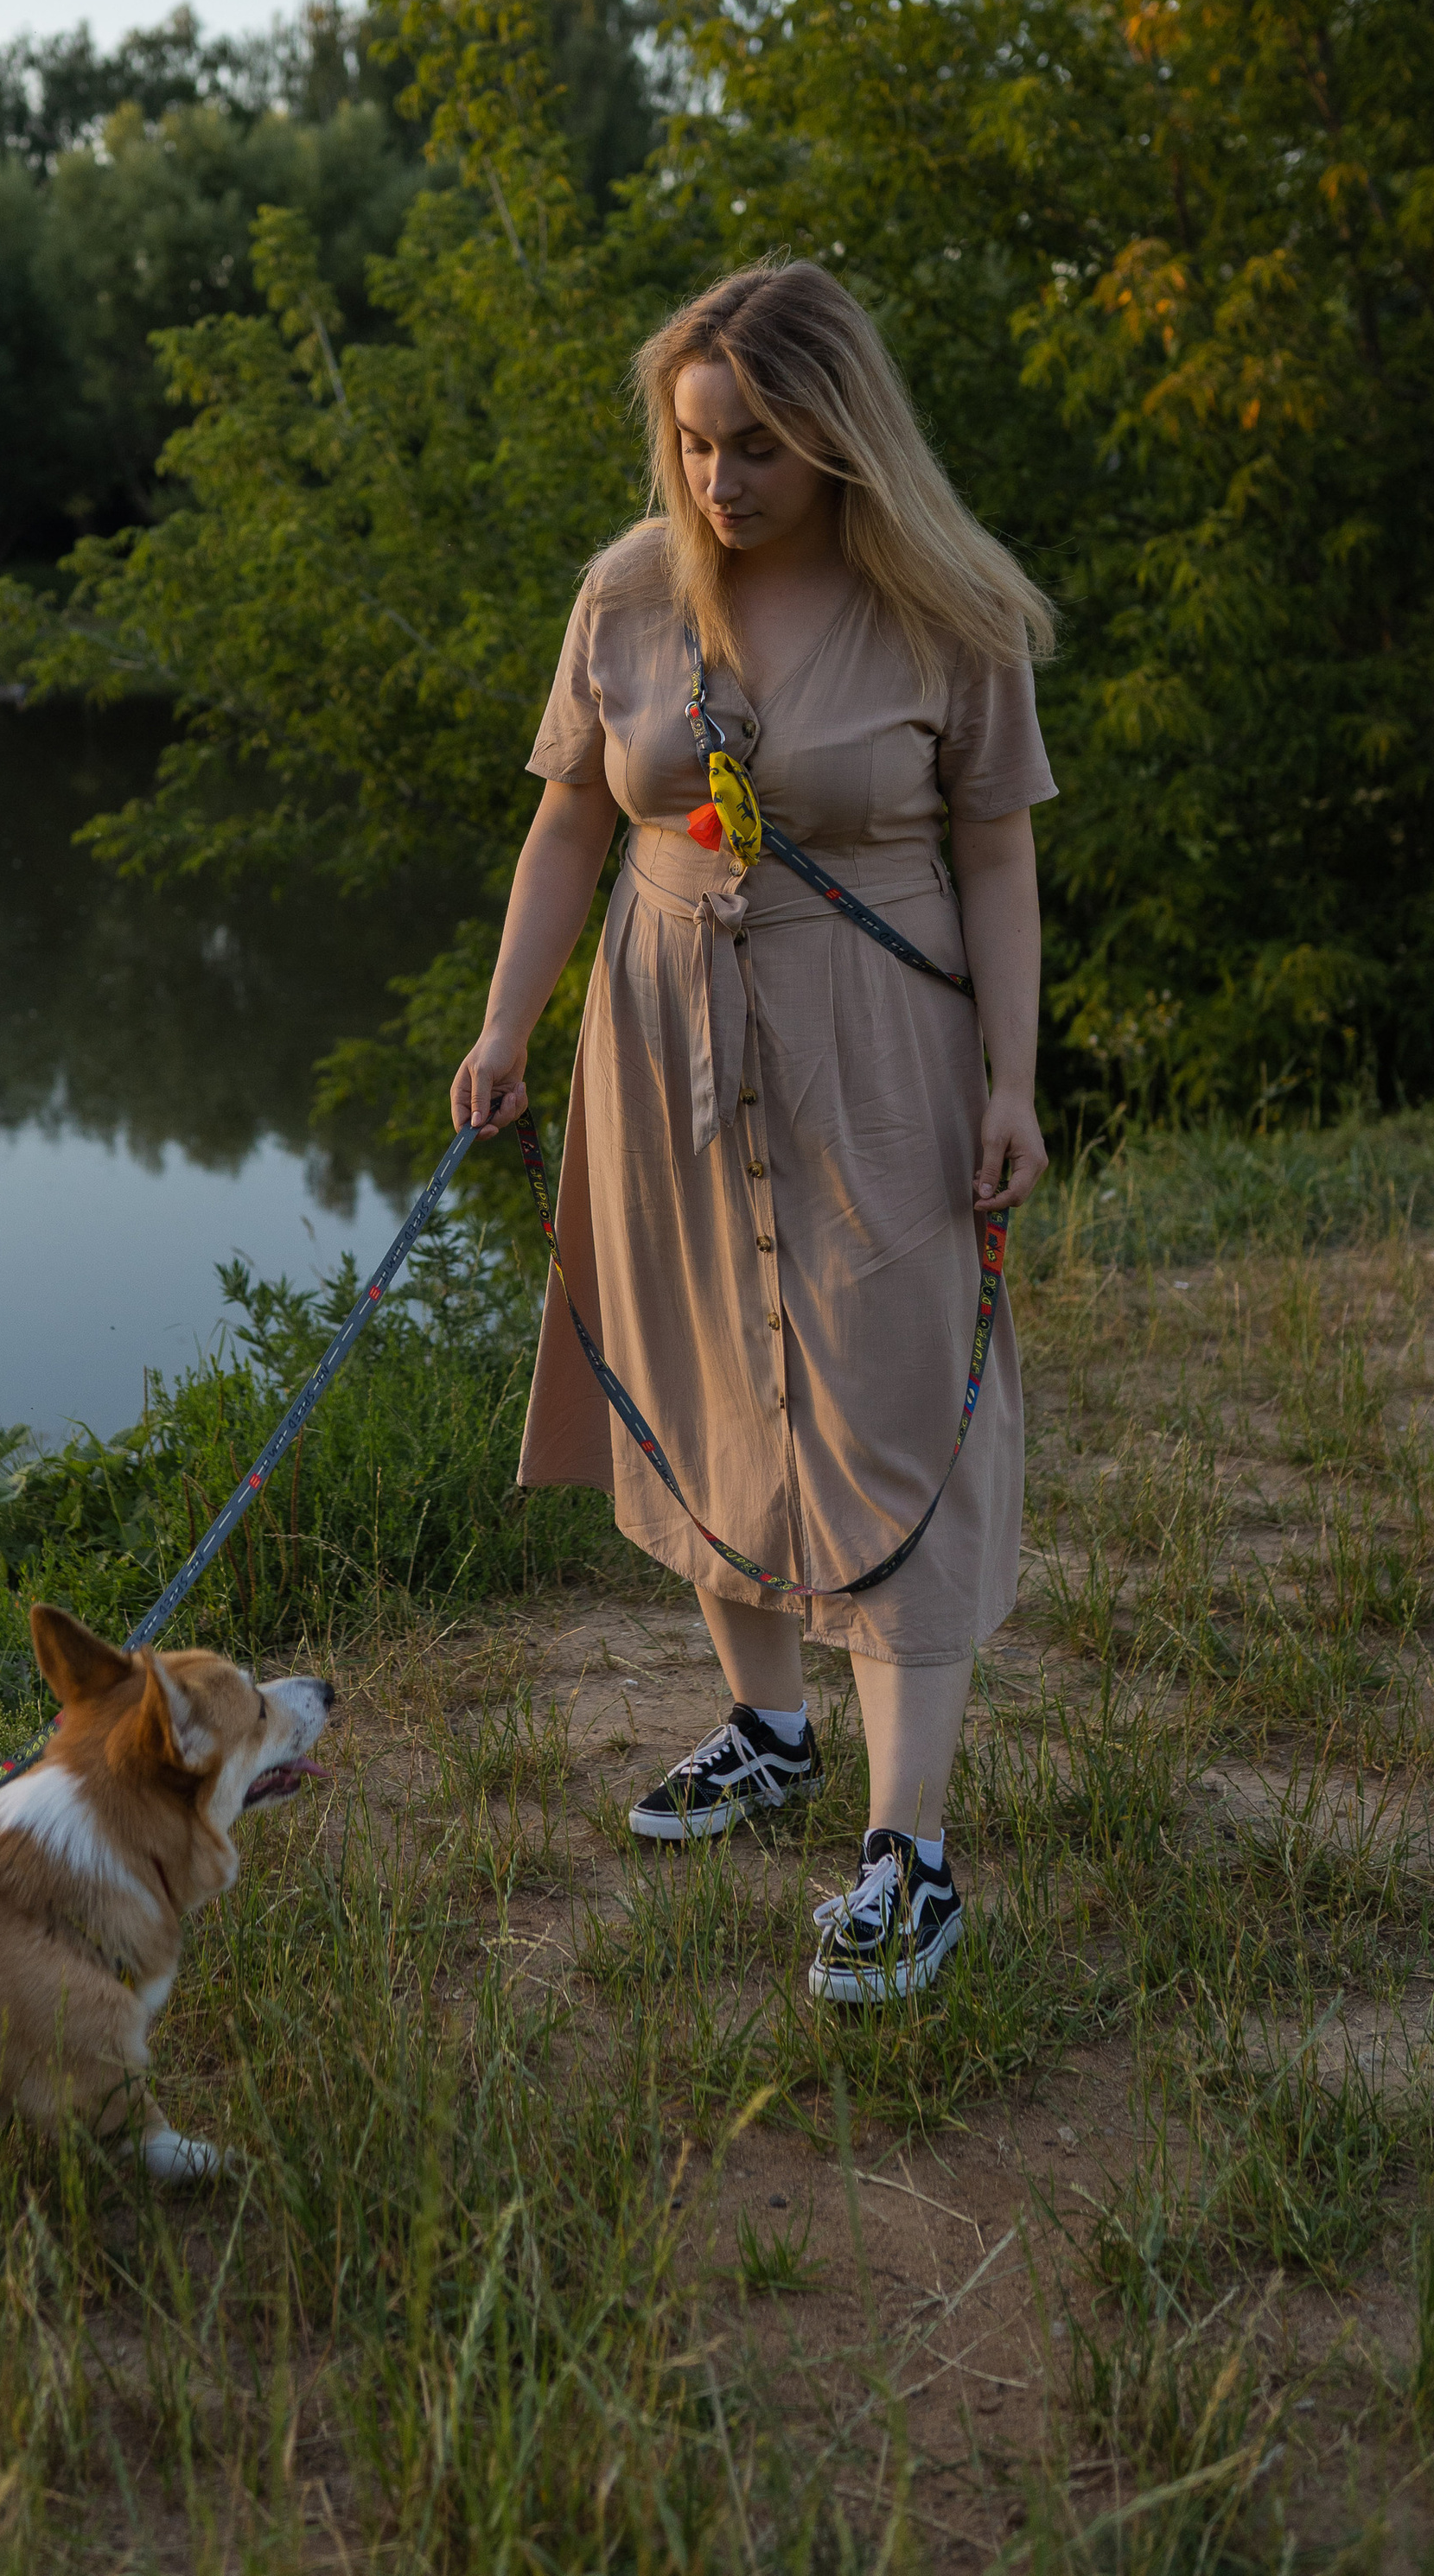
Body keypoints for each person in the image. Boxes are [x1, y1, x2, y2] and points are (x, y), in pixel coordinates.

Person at [452, 260, 1055, 2006]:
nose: (719, 485)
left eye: (760, 451)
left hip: (877, 1046)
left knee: (883, 1404)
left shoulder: (945, 612)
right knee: (708, 1376)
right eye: (696, 444)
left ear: (842, 442)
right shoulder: (628, 593)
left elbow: (999, 856)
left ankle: (907, 1849)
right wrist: (505, 1024)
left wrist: (1009, 1079)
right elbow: (570, 819)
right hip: (655, 1041)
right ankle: (764, 1727)